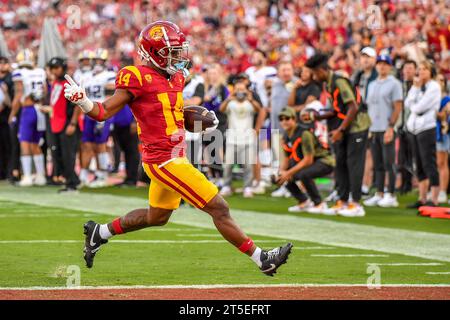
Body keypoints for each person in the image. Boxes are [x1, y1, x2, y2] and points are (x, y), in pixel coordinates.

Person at [64, 21, 292, 276]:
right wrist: (83, 102)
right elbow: (103, 111)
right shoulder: (136, 76)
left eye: (178, 50)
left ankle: (100, 232)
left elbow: (171, 115)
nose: (177, 56)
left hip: (175, 154)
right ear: (152, 52)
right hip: (163, 160)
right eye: (170, 51)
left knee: (157, 217)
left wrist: (200, 120)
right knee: (219, 207)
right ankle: (262, 259)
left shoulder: (176, 76)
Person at [305, 53, 371, 217]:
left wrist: (340, 130)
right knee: (341, 163)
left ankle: (356, 204)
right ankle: (342, 201)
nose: (314, 76)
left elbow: (353, 107)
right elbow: (337, 109)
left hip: (357, 127)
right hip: (345, 128)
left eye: (314, 72)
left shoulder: (339, 81)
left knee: (354, 164)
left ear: (321, 70)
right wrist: (316, 116)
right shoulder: (328, 84)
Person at [277, 107, 335, 214]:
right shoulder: (285, 137)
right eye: (281, 119)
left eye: (287, 118)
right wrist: (281, 173)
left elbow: (308, 159)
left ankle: (319, 203)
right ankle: (304, 201)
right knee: (281, 177)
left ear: (294, 119)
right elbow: (286, 158)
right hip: (309, 163)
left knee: (304, 174)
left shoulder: (304, 133)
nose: (284, 121)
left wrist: (288, 173)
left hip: (325, 161)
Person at [363, 55, 403, 208]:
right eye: (380, 64)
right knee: (377, 163)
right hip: (374, 128)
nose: (382, 67)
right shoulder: (372, 84)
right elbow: (369, 107)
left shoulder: (394, 84)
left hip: (386, 127)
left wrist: (391, 127)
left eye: (385, 64)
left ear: (390, 67)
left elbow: (397, 107)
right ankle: (379, 192)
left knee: (389, 162)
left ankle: (391, 194)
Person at [404, 61, 441, 208]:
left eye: (425, 69)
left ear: (431, 71)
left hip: (427, 128)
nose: (421, 72)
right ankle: (422, 197)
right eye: (420, 69)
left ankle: (435, 198)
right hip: (414, 129)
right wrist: (415, 87)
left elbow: (419, 108)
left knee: (429, 163)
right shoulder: (417, 87)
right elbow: (408, 103)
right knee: (418, 164)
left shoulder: (434, 87)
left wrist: (414, 104)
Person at [8, 49, 47, 187]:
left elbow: (18, 96)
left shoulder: (19, 73)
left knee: (25, 143)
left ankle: (28, 176)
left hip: (28, 110)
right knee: (36, 144)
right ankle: (41, 176)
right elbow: (45, 92)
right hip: (40, 110)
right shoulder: (40, 72)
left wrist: (12, 114)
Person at [79, 48, 116, 187]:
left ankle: (102, 174)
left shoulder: (109, 75)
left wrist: (104, 115)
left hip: (102, 111)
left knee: (101, 145)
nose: (98, 63)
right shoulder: (87, 75)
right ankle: (84, 174)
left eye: (101, 61)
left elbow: (111, 94)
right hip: (89, 113)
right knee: (86, 144)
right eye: (96, 60)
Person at [219, 80, 261, 198]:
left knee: (248, 165)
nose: (240, 92)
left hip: (247, 138)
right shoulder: (231, 103)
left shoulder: (250, 102)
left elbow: (259, 110)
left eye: (242, 89)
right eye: (237, 89)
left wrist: (251, 98)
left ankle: (247, 187)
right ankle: (227, 186)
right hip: (232, 137)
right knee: (228, 164)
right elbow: (221, 110)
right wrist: (228, 98)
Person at [46, 57, 82, 193]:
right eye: (52, 68)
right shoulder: (56, 83)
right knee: (58, 153)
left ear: (63, 68)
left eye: (56, 68)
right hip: (57, 122)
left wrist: (73, 123)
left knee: (68, 154)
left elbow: (79, 103)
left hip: (68, 122)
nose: (54, 71)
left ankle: (72, 184)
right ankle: (71, 179)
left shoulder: (69, 83)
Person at [351, 47, 378, 197]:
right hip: (358, 118)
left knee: (369, 154)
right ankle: (358, 183)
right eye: (363, 57)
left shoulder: (377, 76)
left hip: (372, 118)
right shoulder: (358, 76)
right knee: (359, 152)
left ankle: (366, 185)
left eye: (369, 57)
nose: (366, 60)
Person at [269, 61, 298, 198]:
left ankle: (292, 187)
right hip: (276, 128)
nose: (286, 72)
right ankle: (284, 185)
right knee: (279, 159)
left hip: (290, 130)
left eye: (288, 69)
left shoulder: (296, 84)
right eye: (283, 70)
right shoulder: (276, 84)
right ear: (279, 72)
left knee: (290, 159)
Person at [202, 63, 229, 184]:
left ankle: (221, 175)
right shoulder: (204, 87)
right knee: (207, 148)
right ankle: (212, 175)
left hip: (219, 120)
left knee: (217, 146)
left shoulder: (222, 88)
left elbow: (224, 104)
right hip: (206, 121)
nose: (213, 76)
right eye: (210, 73)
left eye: (215, 73)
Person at [397, 60, 417, 194]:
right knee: (402, 158)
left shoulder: (418, 86)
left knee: (416, 157)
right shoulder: (399, 86)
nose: (408, 71)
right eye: (406, 68)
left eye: (411, 68)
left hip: (415, 127)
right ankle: (405, 184)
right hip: (402, 126)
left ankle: (419, 184)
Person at [111, 104, 140, 186]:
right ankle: (128, 178)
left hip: (129, 124)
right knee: (126, 151)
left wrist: (135, 121)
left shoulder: (131, 91)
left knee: (132, 151)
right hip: (118, 124)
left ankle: (132, 179)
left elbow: (138, 105)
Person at [436, 73, 450, 203]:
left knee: (443, 163)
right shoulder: (431, 95)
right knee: (437, 163)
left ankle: (443, 191)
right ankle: (438, 190)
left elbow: (444, 115)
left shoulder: (446, 99)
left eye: (441, 80)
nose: (439, 82)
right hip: (433, 132)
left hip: (444, 133)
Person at [0, 56, 12, 181]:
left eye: (4, 63)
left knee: (8, 146)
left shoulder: (11, 79)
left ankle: (8, 172)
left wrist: (6, 93)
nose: (2, 66)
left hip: (6, 117)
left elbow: (11, 103)